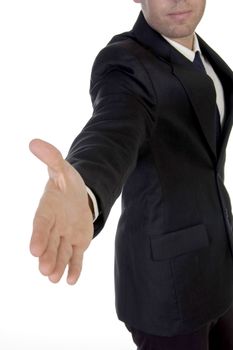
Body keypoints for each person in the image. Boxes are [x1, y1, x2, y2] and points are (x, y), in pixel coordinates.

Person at [29, 1, 233, 349]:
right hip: (167, 294)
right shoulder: (124, 63)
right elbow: (114, 126)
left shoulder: (207, 56)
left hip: (221, 272)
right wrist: (87, 188)